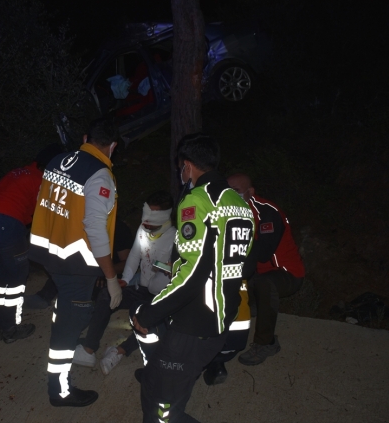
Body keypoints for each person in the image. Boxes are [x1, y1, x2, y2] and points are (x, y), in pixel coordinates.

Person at [131, 134, 255, 422]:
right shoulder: (239, 203)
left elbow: (192, 273)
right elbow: (246, 265)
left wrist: (151, 312)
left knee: (162, 405)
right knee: (164, 380)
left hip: (194, 321)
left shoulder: (197, 200)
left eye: (180, 168)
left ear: (187, 166)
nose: (180, 173)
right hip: (223, 316)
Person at [29, 118, 119, 407]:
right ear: (112, 146)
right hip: (77, 263)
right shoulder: (100, 175)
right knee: (71, 324)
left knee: (65, 311)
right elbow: (95, 228)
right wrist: (111, 277)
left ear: (85, 137)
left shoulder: (57, 160)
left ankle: (61, 326)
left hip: (52, 254)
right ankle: (60, 391)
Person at [72, 190, 176, 376]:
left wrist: (166, 269)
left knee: (147, 318)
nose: (147, 222)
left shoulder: (176, 238)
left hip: (162, 294)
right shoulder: (143, 230)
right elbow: (135, 255)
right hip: (141, 287)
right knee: (107, 295)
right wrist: (124, 281)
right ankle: (88, 349)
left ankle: (121, 350)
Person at [0, 144, 62, 344]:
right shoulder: (40, 180)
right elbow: (44, 216)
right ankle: (10, 329)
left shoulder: (19, 172)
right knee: (16, 278)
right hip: (6, 225)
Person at [227, 173, 305, 366]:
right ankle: (253, 306)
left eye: (235, 191)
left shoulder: (267, 212)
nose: (230, 194)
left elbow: (262, 253)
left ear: (250, 192)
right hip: (258, 271)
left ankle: (266, 343)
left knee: (263, 283)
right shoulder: (229, 211)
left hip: (286, 273)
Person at [24, 218, 132, 309]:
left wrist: (105, 273)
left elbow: (126, 263)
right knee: (65, 266)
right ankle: (44, 296)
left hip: (106, 273)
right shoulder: (83, 222)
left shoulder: (118, 228)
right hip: (88, 266)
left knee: (86, 299)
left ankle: (83, 307)